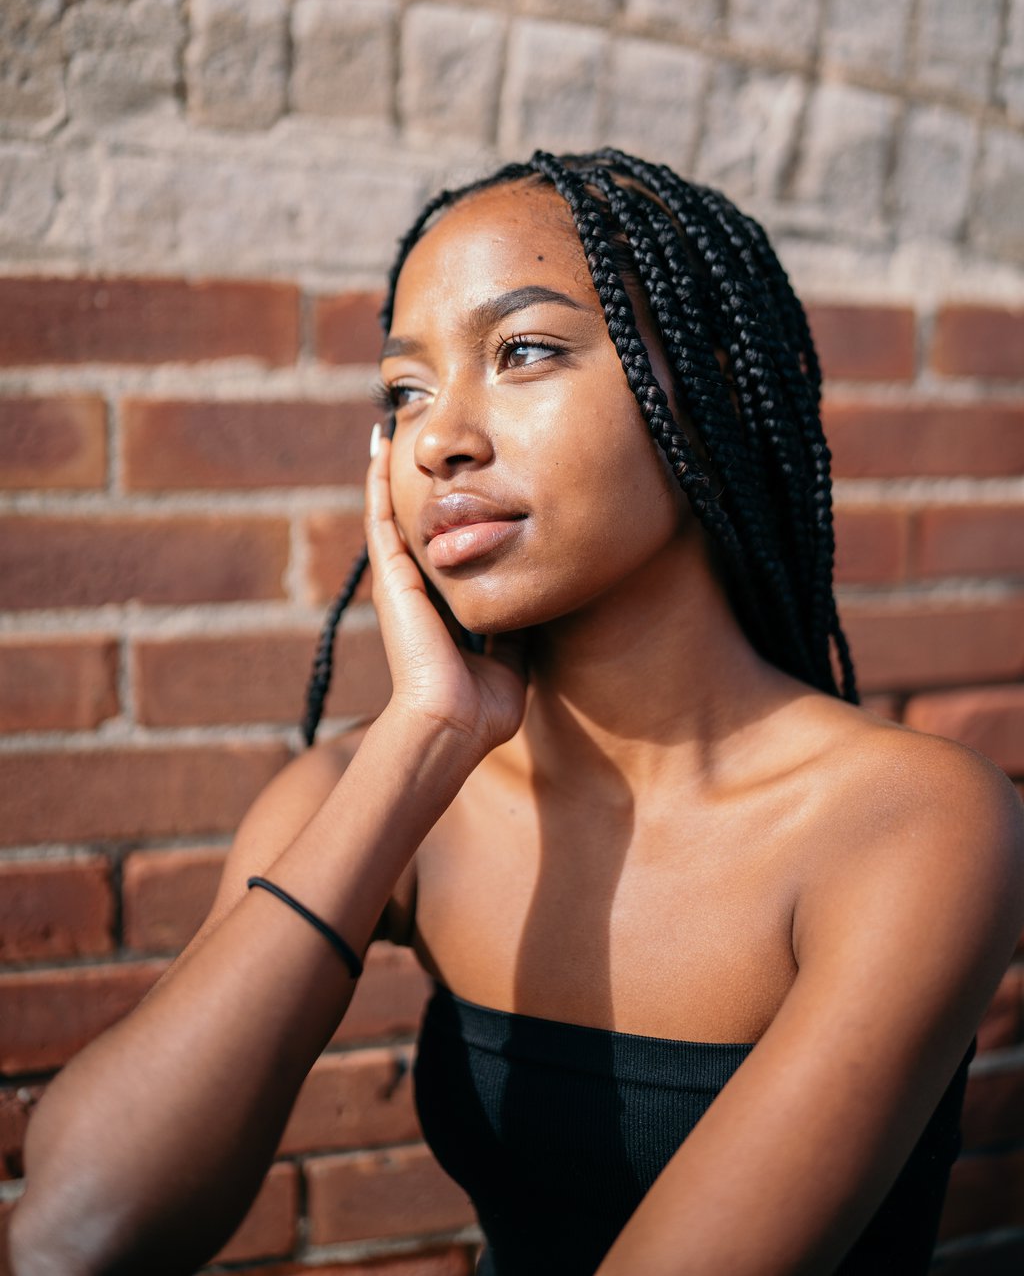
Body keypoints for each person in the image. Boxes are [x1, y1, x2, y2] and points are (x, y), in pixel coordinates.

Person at [11, 148, 1024, 1276]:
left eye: (523, 350)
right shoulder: (375, 792)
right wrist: (420, 739)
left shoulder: (910, 822)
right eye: (404, 392)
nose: (439, 437)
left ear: (709, 387)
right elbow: (74, 1232)